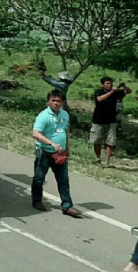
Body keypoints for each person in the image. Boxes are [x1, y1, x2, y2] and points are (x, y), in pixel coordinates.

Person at [31, 89, 82, 218]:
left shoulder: (64, 115)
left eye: (58, 101)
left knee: (63, 180)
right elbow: (36, 133)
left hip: (60, 153)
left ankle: (67, 206)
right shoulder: (43, 116)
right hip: (45, 152)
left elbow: (65, 132)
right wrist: (51, 143)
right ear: (48, 102)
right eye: (53, 101)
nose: (55, 103)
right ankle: (37, 200)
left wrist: (67, 148)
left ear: (63, 102)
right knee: (39, 178)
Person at [90, 76, 131, 167]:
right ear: (103, 84)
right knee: (97, 140)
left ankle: (107, 162)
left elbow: (128, 91)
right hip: (98, 119)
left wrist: (124, 86)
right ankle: (98, 158)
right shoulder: (99, 91)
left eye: (111, 83)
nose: (110, 85)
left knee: (110, 141)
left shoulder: (116, 93)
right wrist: (112, 91)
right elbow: (99, 99)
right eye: (107, 83)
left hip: (111, 120)